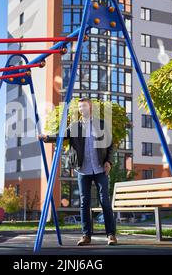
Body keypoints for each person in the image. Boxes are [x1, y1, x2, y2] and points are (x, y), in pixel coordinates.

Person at [38, 98, 117, 246]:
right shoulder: (75, 126)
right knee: (84, 203)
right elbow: (61, 135)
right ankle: (86, 235)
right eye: (79, 107)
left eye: (84, 106)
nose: (81, 109)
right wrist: (46, 137)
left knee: (104, 201)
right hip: (83, 169)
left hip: (100, 168)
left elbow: (111, 145)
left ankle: (111, 235)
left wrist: (109, 162)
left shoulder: (101, 124)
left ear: (90, 107)